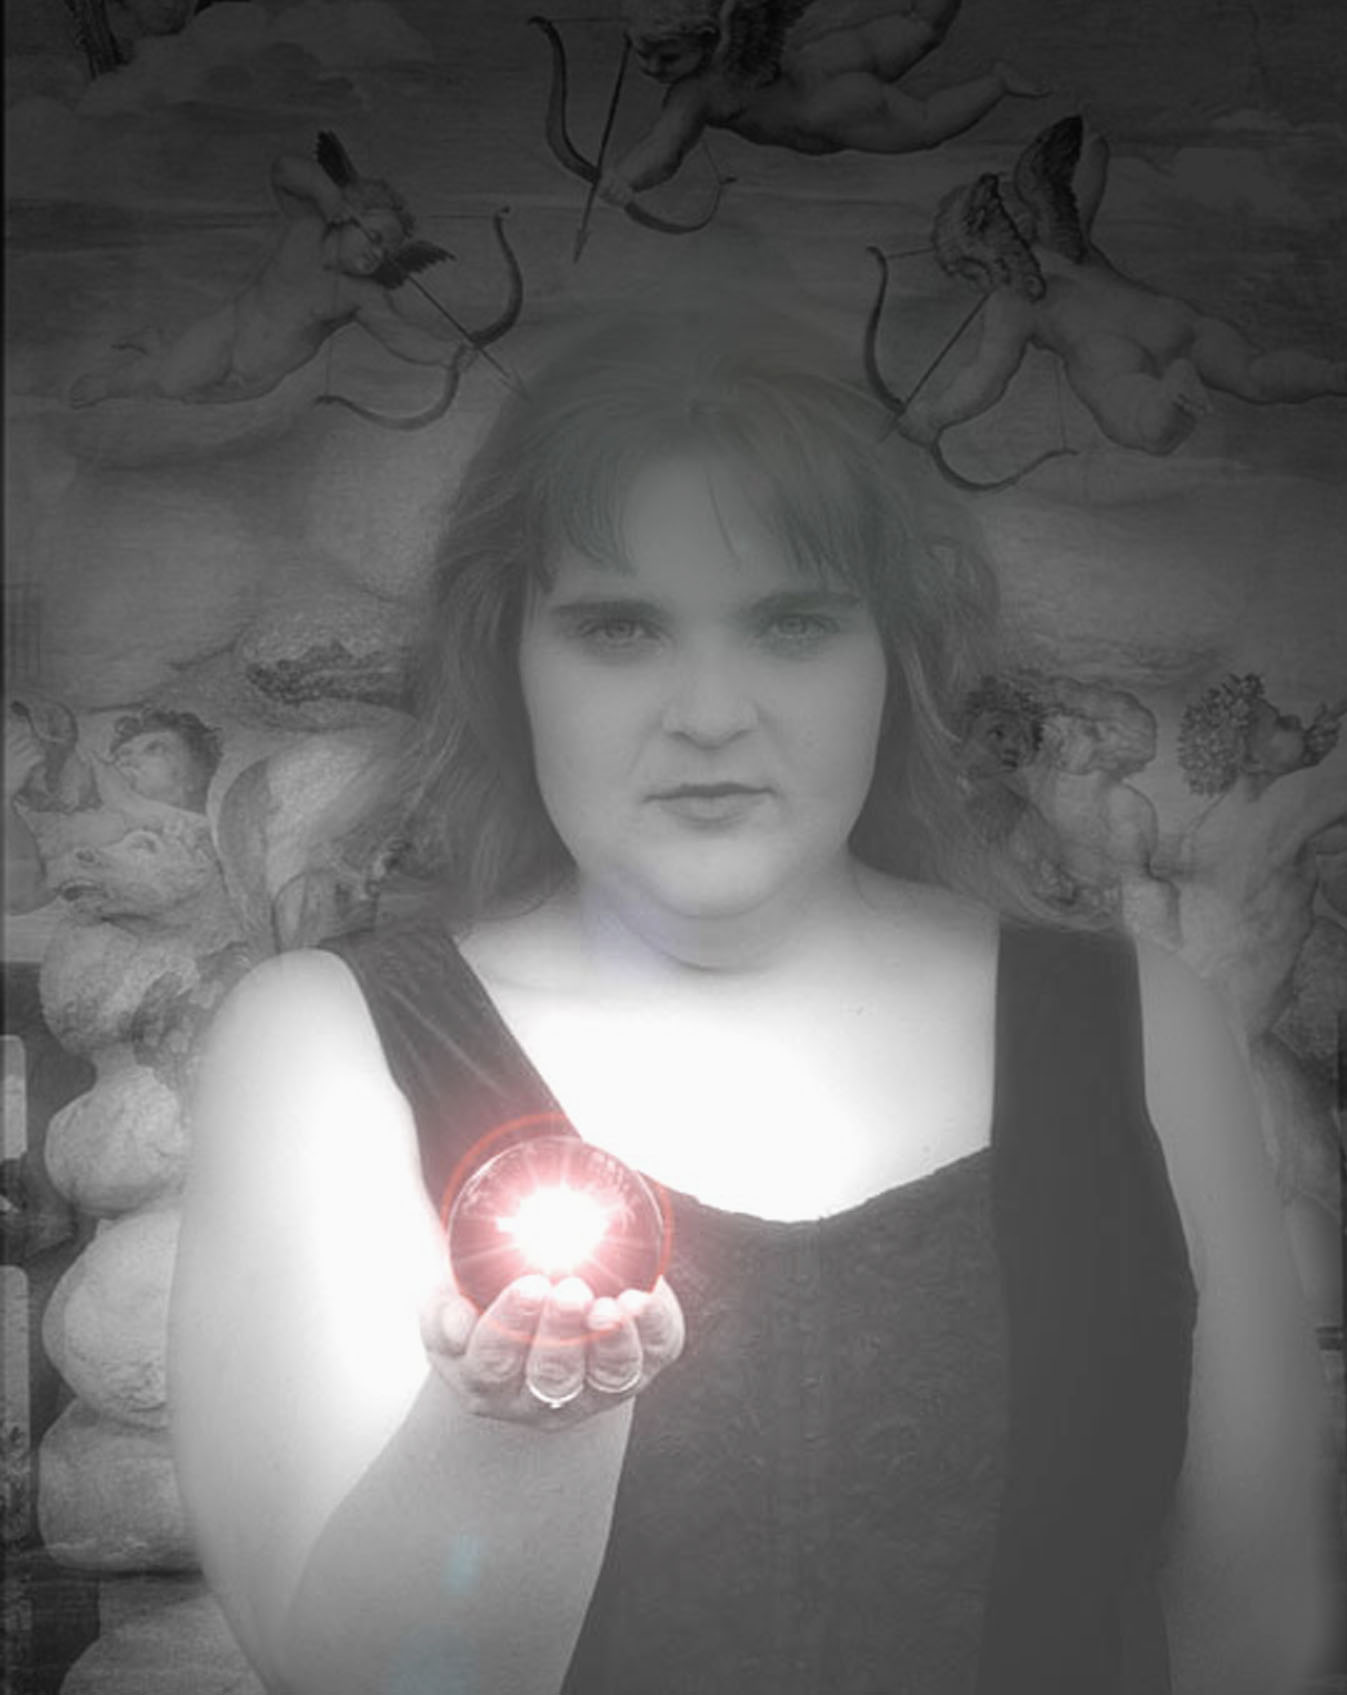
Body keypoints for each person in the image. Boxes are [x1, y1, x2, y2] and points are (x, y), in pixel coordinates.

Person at [169, 308, 1330, 1695]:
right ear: (508, 659)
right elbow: (354, 1678)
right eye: (618, 628)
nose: (710, 712)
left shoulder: (1143, 1029)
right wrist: (521, 1424)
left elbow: (1263, 1633)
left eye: (791, 623)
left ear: (893, 658)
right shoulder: (321, 1045)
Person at [591, 0, 1040, 208]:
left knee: (925, 124)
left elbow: (665, 148)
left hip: (830, 112)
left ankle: (997, 82)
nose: (652, 68)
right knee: (920, 25)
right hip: (830, 58)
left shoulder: (694, 92)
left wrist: (627, 177)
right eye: (641, 53)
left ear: (706, 39)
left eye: (667, 58)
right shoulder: (736, 22)